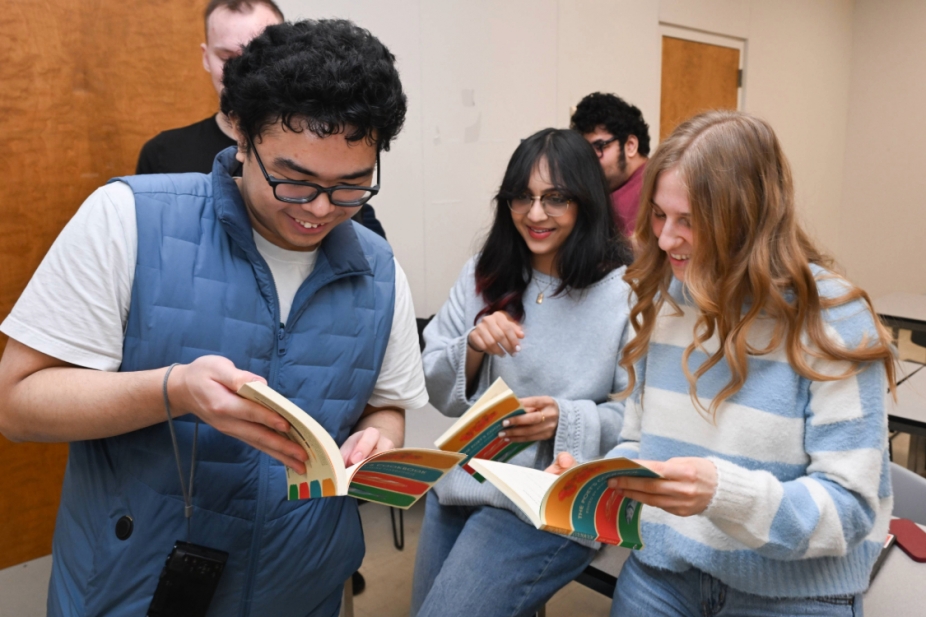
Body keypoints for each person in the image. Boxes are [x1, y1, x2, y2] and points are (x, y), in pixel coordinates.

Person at [0, 19, 425, 617]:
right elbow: (17, 404)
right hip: (137, 590)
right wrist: (173, 390)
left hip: (304, 589)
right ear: (242, 136)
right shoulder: (128, 218)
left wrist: (381, 439)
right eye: (294, 181)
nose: (321, 209)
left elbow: (386, 404)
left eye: (351, 186)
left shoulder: (379, 269)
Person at [550, 110, 897, 616]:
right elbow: (640, 443)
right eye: (659, 215)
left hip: (792, 591)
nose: (665, 239)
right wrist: (599, 477)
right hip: (666, 574)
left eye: (689, 221)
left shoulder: (833, 320)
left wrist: (723, 494)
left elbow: (850, 510)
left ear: (748, 223)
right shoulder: (663, 303)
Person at [411, 128, 632, 617]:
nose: (534, 214)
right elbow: (433, 384)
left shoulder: (625, 293)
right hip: (466, 481)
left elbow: (643, 420)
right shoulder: (482, 273)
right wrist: (473, 346)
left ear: (587, 202)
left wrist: (563, 419)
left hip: (553, 494)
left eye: (555, 199)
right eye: (522, 197)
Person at [135, 0, 386, 238]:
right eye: (228, 58)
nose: (244, 70)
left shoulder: (341, 168)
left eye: (262, 55)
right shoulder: (164, 154)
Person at [570, 92, 650, 237]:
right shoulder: (608, 191)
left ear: (630, 145)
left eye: (599, 146)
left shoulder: (654, 189)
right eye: (586, 150)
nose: (590, 159)